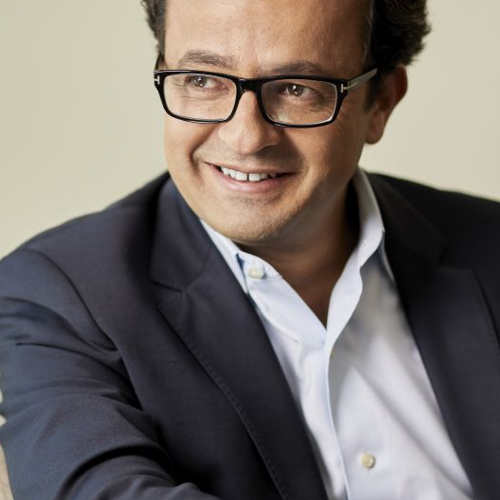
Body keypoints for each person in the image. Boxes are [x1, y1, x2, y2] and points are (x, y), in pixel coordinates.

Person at [0, 0, 499, 498]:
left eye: (297, 88)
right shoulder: (58, 298)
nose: (245, 138)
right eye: (201, 79)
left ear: (382, 102)